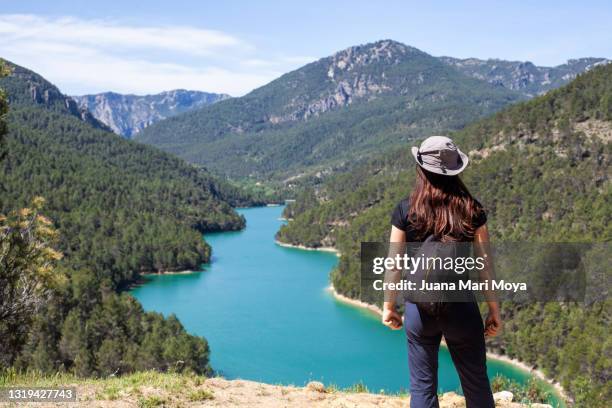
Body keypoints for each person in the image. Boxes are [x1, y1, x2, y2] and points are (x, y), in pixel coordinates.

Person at [382, 135, 502, 408]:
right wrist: (494, 311)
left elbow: (394, 264)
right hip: (461, 309)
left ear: (421, 168)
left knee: (422, 389)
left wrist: (388, 306)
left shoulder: (406, 209)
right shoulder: (472, 209)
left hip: (419, 308)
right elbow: (485, 266)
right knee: (477, 386)